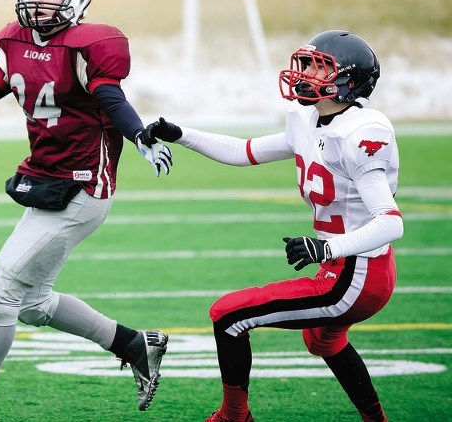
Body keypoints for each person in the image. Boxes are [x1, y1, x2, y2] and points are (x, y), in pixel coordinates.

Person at [0, 0, 174, 422]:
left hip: (83, 187)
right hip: (45, 182)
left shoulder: (90, 44)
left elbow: (109, 95)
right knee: (32, 304)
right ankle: (134, 344)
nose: (37, 2)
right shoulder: (12, 39)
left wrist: (139, 134)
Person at [145, 30, 403, 422]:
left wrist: (325, 248)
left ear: (349, 82)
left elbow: (390, 222)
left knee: (228, 315)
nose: (303, 74)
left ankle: (234, 417)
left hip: (358, 273)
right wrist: (182, 135)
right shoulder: (309, 119)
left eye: (318, 68)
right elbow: (244, 151)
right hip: (344, 267)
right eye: (305, 64)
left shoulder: (361, 133)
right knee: (322, 340)